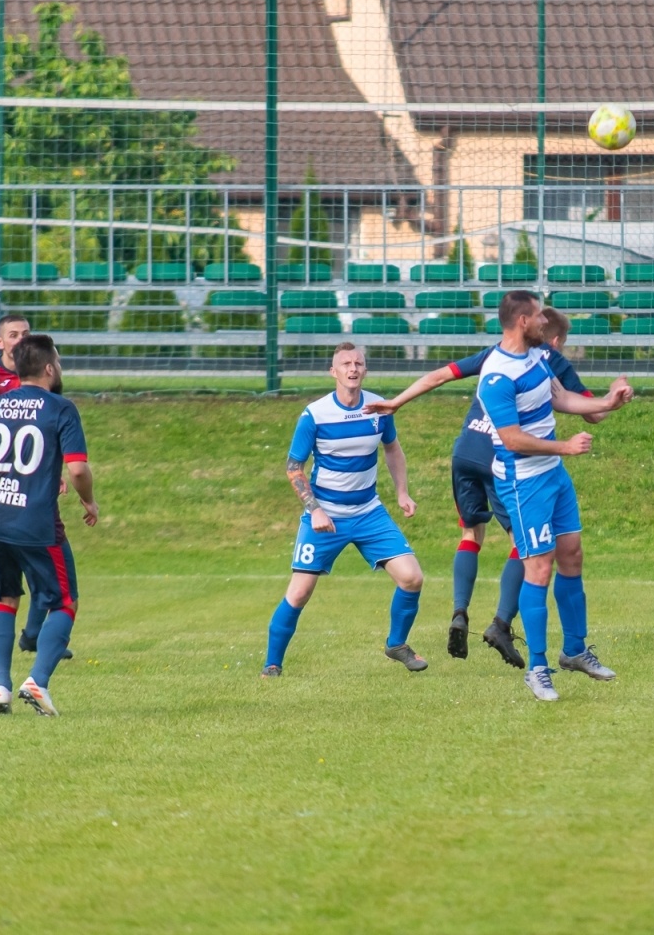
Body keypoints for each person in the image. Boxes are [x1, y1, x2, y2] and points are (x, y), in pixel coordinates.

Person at [382, 290, 632, 701]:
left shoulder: (536, 355)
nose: (544, 323)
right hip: (523, 481)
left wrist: (610, 400)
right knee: (539, 568)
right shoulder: (497, 376)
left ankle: (574, 651)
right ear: (522, 321)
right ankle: (537, 669)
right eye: (538, 316)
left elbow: (558, 397)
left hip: (553, 476)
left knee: (572, 554)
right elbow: (513, 439)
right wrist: (564, 446)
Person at [260, 343, 426, 677]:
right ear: (333, 372)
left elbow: (392, 449)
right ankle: (272, 665)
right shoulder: (315, 414)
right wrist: (316, 510)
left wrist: (402, 492)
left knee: (412, 578)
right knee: (300, 591)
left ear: (365, 370)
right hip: (325, 515)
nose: (353, 368)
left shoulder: (379, 408)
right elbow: (294, 468)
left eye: (359, 363)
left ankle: (396, 644)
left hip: (369, 513)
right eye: (346, 364)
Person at [0, 334, 98, 716]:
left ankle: (0, 687)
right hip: (36, 522)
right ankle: (37, 681)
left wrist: (6, 471)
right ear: (50, 368)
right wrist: (88, 500)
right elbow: (77, 469)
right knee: (65, 602)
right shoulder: (61, 408)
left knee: (4, 598)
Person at [0, 313, 72, 664]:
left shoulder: (42, 376)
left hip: (32, 482)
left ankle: (36, 636)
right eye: (12, 334)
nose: (20, 339)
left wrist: (40, 469)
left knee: (41, 557)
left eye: (25, 333)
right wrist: (14, 467)